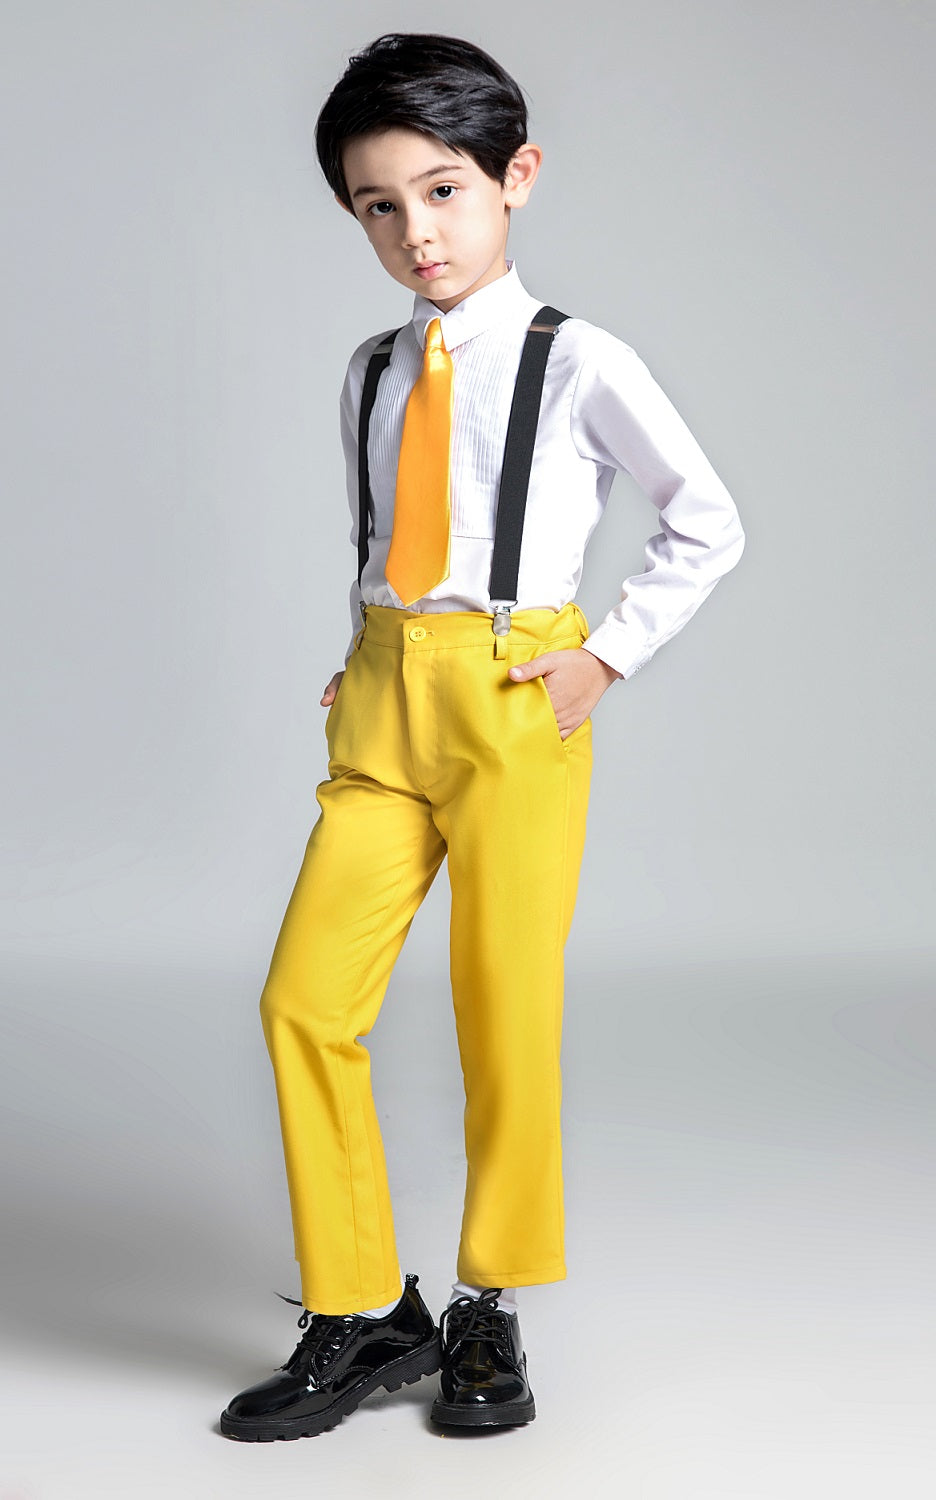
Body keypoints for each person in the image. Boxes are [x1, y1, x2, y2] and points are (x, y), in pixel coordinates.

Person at [220, 31, 744, 1443]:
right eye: (379, 206)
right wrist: (365, 652)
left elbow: (707, 521)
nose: (417, 232)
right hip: (386, 699)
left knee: (502, 1008)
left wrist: (606, 655)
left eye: (443, 191)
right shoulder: (370, 369)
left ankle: (487, 1304)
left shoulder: (579, 360)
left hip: (515, 702)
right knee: (304, 1002)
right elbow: (385, 537)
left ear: (516, 177)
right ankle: (359, 1310)